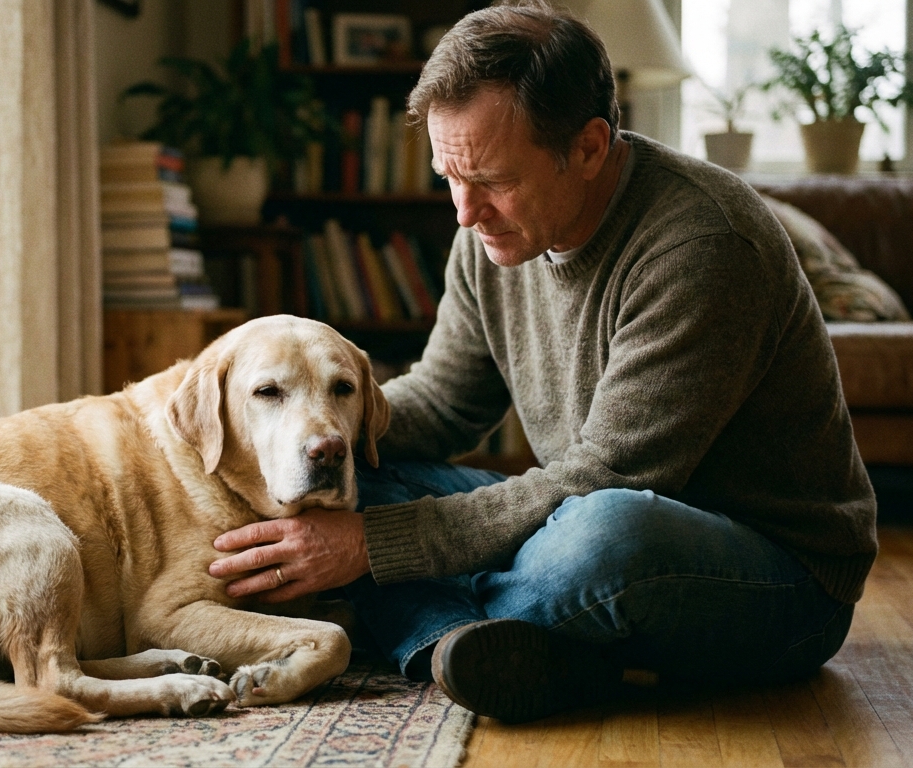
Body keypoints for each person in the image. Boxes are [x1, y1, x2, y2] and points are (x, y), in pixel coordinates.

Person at [207, 2, 877, 723]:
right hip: (572, 511)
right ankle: (483, 647)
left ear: (589, 146)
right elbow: (441, 404)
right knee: (359, 477)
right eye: (449, 177)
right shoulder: (491, 233)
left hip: (773, 576)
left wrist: (372, 549)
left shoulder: (702, 245)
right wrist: (310, 438)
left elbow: (611, 477)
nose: (465, 212)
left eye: (494, 180)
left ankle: (436, 625)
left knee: (603, 536)